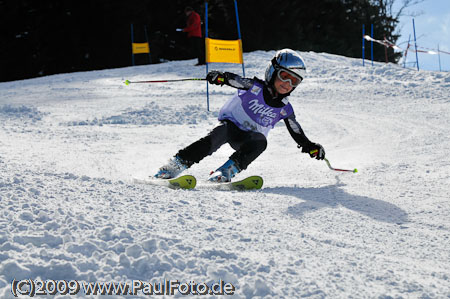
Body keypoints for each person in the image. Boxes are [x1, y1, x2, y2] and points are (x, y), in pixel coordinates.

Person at [154, 49, 325, 182]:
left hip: (248, 138)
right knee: (217, 135)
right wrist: (222, 77)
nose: (287, 84)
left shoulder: (284, 108)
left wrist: (309, 146)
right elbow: (237, 80)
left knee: (261, 142)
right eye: (284, 76)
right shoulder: (255, 87)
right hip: (231, 127)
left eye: (294, 81)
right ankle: (175, 165)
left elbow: (295, 130)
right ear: (272, 72)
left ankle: (226, 171)